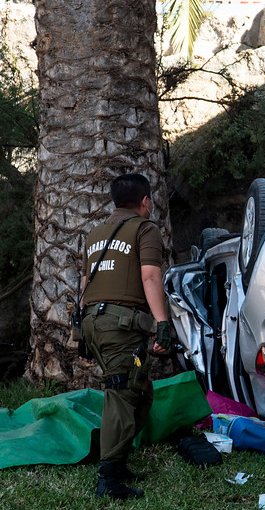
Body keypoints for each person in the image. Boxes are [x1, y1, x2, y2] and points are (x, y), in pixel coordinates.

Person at [80, 173, 173, 500]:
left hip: (94, 321)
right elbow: (149, 276)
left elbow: (86, 283)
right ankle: (108, 480)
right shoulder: (145, 229)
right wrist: (162, 322)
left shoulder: (95, 234)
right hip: (118, 325)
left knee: (141, 391)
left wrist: (84, 330)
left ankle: (118, 462)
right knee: (121, 393)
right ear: (145, 201)